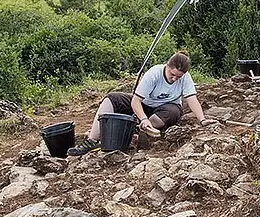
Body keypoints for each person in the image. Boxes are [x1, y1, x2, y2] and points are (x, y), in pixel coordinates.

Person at [67, 51, 215, 156]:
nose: (175, 79)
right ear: (167, 66)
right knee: (111, 98)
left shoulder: (185, 78)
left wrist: (202, 120)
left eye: (179, 77)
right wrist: (143, 117)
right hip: (145, 106)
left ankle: (139, 129)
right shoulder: (154, 73)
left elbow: (191, 99)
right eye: (172, 75)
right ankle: (92, 140)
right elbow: (136, 100)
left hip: (167, 109)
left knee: (173, 112)